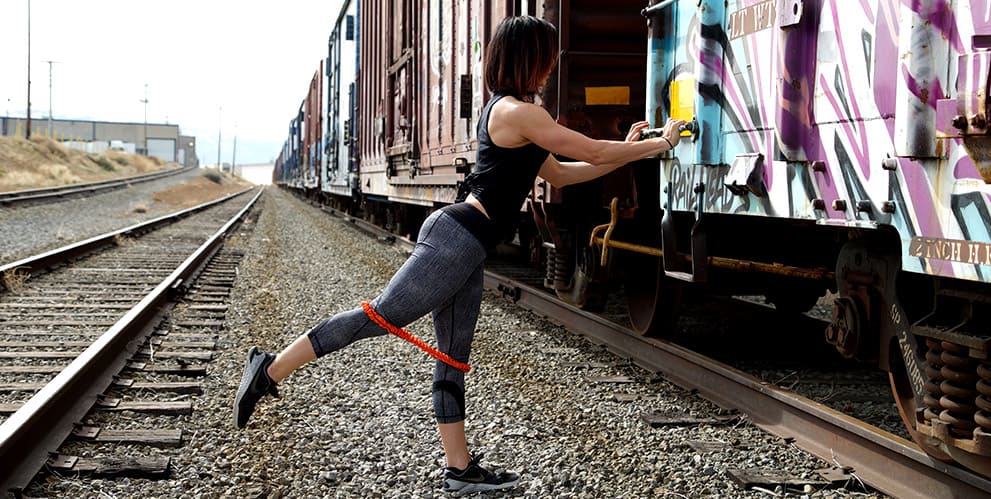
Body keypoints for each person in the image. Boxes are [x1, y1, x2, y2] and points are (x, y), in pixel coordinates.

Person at [234, 15, 684, 495]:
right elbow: (593, 153)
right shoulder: (518, 112)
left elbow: (564, 175)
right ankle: (270, 367)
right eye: (548, 56)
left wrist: (629, 150)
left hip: (468, 245)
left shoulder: (520, 114)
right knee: (383, 316)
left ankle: (459, 469)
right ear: (531, 58)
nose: (552, 66)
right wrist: (658, 144)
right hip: (457, 237)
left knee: (453, 356)